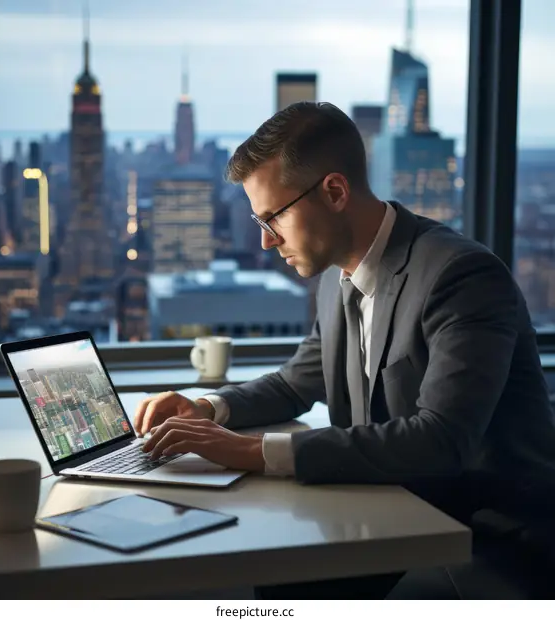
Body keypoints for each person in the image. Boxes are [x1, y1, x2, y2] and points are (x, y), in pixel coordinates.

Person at [135, 102, 555, 599]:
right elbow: (296, 382)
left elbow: (443, 440)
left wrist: (249, 452)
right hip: (398, 512)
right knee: (277, 579)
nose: (266, 242)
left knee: (286, 585)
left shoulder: (461, 276)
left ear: (334, 191)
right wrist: (207, 408)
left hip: (486, 544)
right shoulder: (337, 279)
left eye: (273, 218)